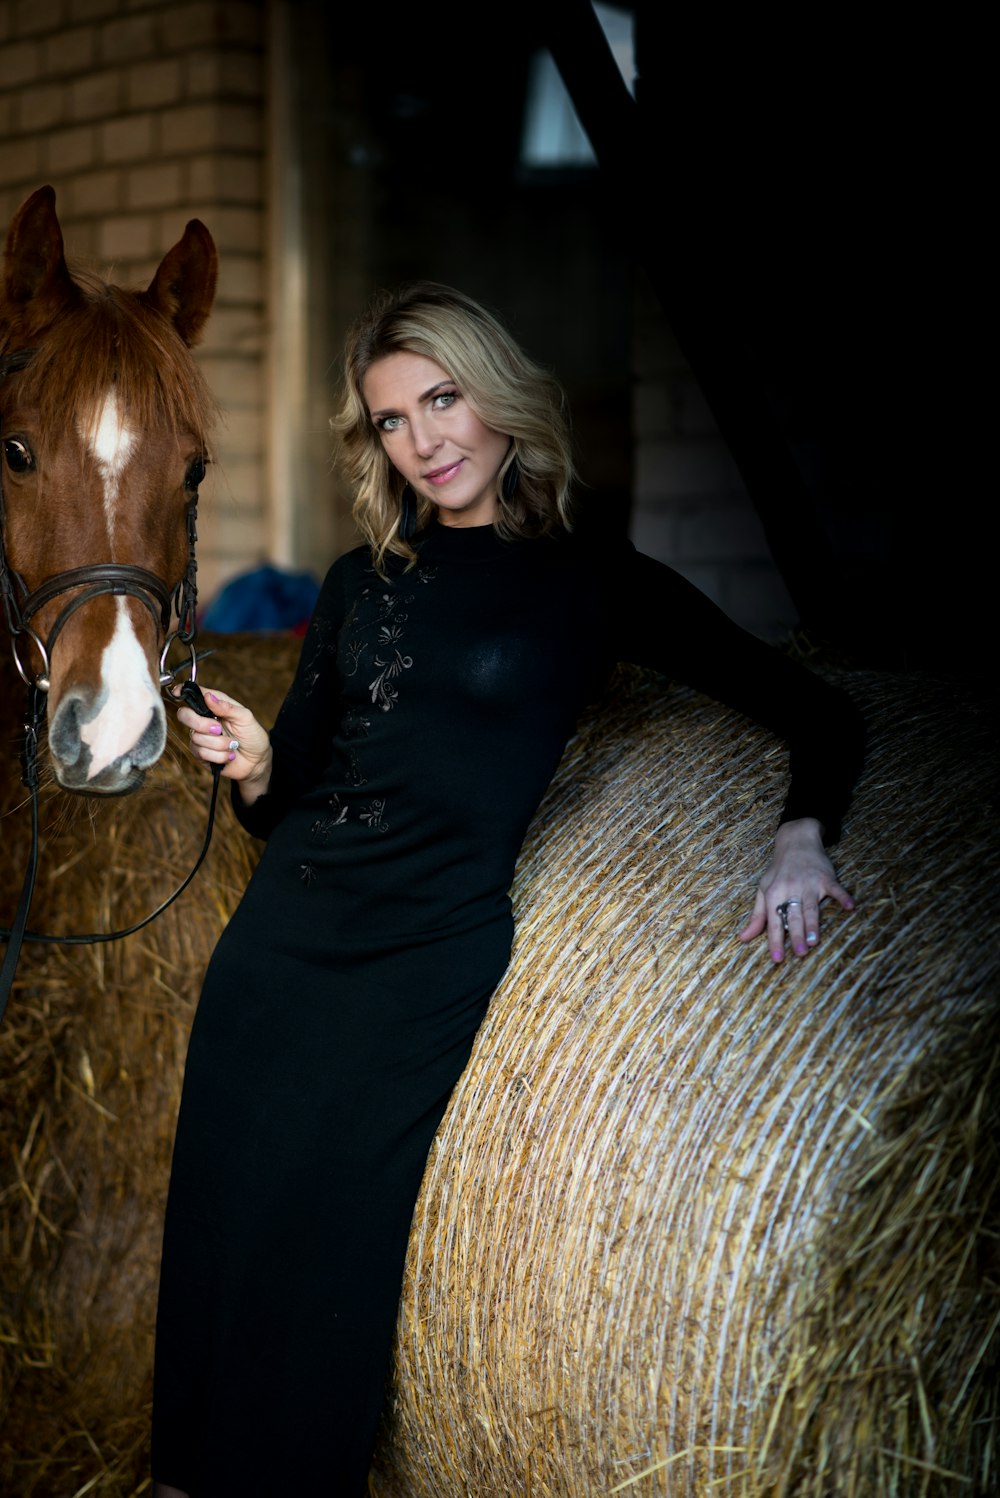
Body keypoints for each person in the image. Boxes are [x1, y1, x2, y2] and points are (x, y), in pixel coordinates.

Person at [151, 282, 866, 1497]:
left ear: (501, 401)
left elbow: (815, 707)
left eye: (443, 399)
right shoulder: (358, 579)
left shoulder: (592, 580)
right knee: (217, 1233)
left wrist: (802, 834)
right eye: (390, 420)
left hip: (425, 960)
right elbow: (288, 808)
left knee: (336, 1255)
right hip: (279, 949)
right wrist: (260, 765)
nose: (425, 441)